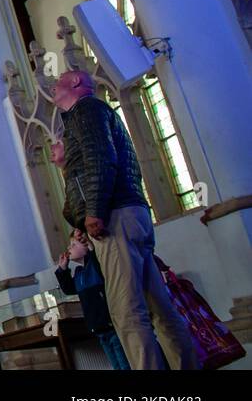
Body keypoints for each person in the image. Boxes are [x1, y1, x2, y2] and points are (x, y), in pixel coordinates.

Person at [50, 69, 198, 370]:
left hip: (114, 217)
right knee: (159, 307)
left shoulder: (86, 109)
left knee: (127, 312)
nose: (53, 88)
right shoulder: (91, 114)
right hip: (130, 213)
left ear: (76, 83)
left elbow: (100, 158)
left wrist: (94, 210)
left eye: (58, 82)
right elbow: (92, 163)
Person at [55, 230, 129, 369]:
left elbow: (97, 260)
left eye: (73, 244)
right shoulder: (79, 273)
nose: (69, 248)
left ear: (85, 245)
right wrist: (62, 269)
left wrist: (90, 246)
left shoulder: (95, 265)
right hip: (99, 328)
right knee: (116, 365)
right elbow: (69, 289)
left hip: (111, 325)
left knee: (124, 365)